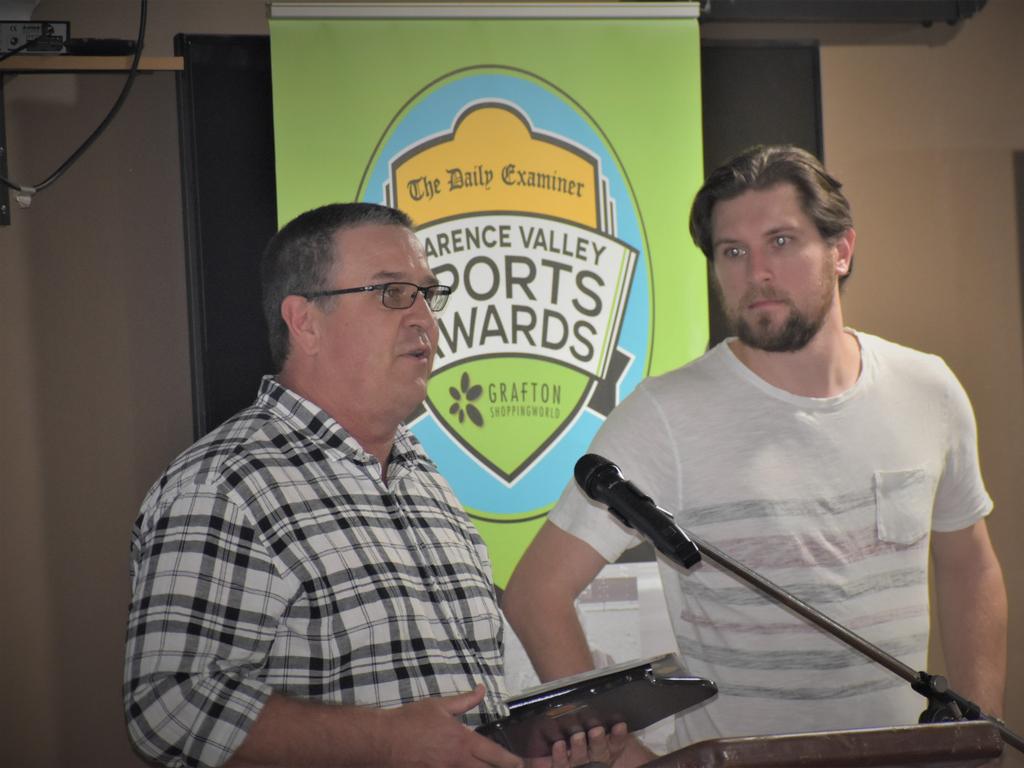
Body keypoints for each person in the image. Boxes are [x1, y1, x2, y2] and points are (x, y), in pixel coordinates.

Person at [502, 145, 1008, 755]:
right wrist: (623, 753)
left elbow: (968, 564)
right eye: (732, 252)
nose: (756, 272)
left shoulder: (929, 390)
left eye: (782, 242)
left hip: (906, 756)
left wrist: (980, 735)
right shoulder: (665, 416)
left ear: (842, 250)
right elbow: (536, 595)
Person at [123, 203, 625, 768]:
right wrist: (380, 741)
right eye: (391, 294)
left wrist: (538, 748)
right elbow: (169, 707)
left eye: (428, 295)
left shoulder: (424, 479)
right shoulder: (224, 484)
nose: (425, 321)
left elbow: (457, 713)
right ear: (305, 321)